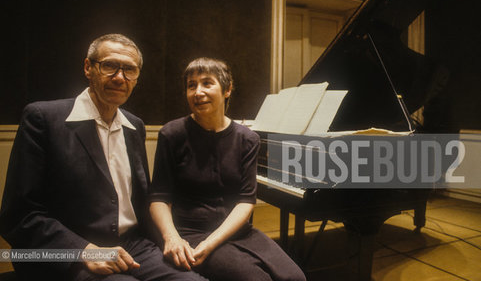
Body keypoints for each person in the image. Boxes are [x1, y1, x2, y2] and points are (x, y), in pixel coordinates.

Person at [0, 34, 205, 281]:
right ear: (88, 67)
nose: (120, 77)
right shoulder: (42, 118)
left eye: (129, 69)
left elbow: (143, 201)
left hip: (133, 245)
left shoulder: (135, 126)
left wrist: (171, 237)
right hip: (69, 251)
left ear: (137, 77)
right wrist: (83, 251)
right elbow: (20, 215)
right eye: (109, 65)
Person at [149, 57, 306, 281]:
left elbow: (245, 201)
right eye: (191, 85)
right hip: (190, 231)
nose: (197, 92)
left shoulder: (247, 139)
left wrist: (212, 242)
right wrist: (171, 237)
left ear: (227, 90)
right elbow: (158, 198)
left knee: (295, 278)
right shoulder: (171, 134)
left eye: (207, 83)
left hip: (237, 230)